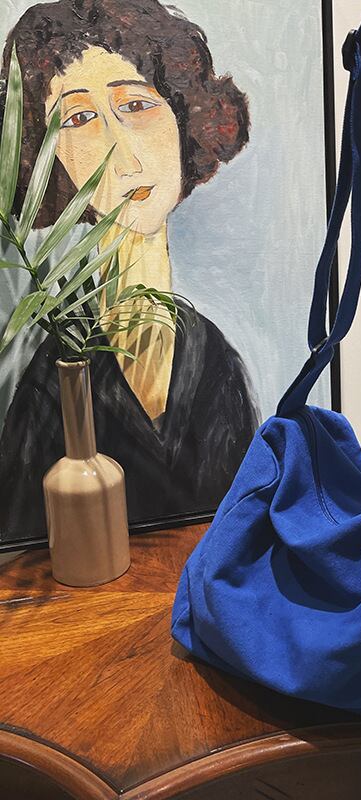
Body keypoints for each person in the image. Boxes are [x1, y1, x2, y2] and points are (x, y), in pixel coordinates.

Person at [0, 0, 259, 543]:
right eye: (79, 119)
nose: (121, 155)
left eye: (136, 106)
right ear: (46, 157)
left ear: (184, 117)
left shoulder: (215, 361)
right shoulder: (53, 376)